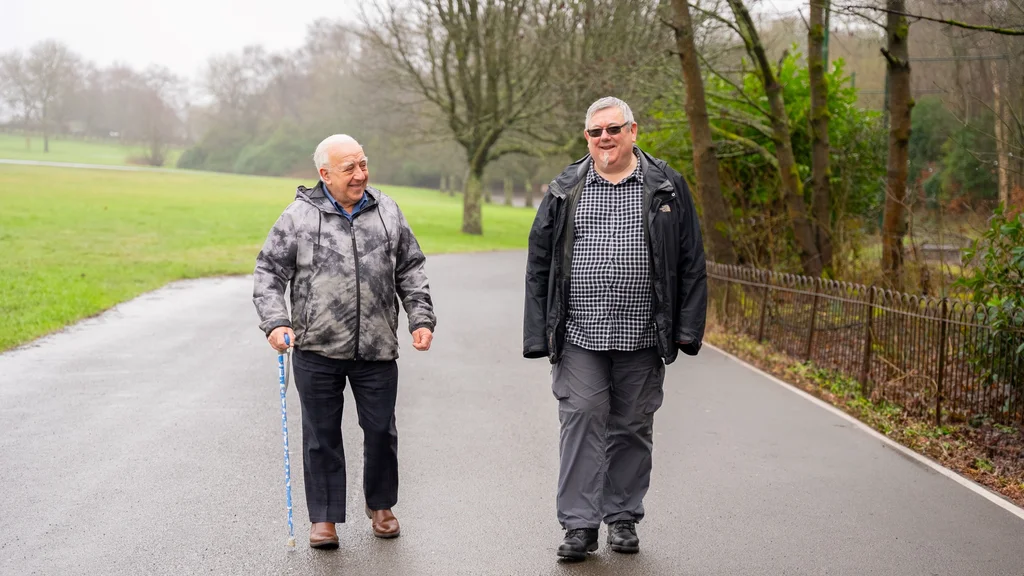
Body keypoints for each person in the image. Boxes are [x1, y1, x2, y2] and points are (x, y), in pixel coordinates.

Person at [522, 97, 707, 561]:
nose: (604, 138)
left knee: (632, 425)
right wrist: (535, 334)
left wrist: (686, 328)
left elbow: (690, 260)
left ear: (633, 131)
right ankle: (580, 525)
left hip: (642, 332)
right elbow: (539, 261)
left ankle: (622, 516)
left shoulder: (666, 185)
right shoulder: (566, 186)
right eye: (595, 132)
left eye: (613, 129)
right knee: (581, 416)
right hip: (580, 331)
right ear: (586, 137)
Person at [253, 134, 436, 549]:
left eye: (363, 164)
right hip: (317, 347)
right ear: (324, 174)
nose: (360, 174)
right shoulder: (299, 216)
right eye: (349, 168)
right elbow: (267, 273)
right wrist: (275, 323)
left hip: (376, 347)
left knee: (381, 431)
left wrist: (419, 317)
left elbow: (411, 267)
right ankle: (324, 518)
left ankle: (382, 505)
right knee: (321, 436)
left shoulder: (386, 209)